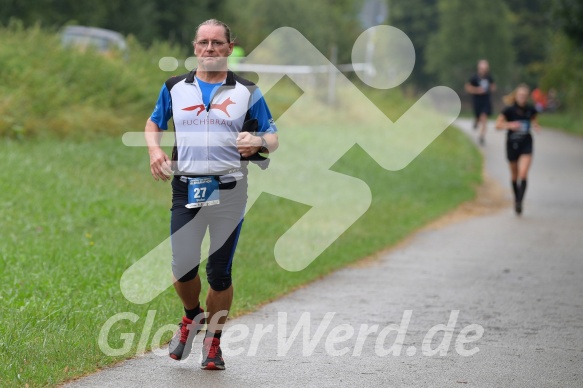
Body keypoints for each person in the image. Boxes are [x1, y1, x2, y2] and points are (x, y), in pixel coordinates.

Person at [145, 19, 278, 370]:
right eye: (203, 42)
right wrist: (154, 151)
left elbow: (272, 136)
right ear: (194, 47)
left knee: (220, 273)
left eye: (217, 42)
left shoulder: (247, 92)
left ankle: (213, 343)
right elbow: (153, 123)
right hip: (186, 186)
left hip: (230, 189)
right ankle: (192, 316)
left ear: (229, 48)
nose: (209, 48)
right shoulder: (174, 87)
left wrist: (258, 141)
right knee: (182, 265)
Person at [495, 84, 540, 215]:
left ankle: (519, 202)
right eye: (520, 95)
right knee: (514, 176)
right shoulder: (509, 110)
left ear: (527, 97)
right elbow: (497, 125)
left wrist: (536, 126)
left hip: (526, 143)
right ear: (516, 96)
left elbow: (534, 121)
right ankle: (516, 199)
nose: (522, 98)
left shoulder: (530, 109)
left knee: (523, 173)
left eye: (525, 96)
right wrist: (510, 125)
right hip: (512, 144)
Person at [465, 59, 496, 145]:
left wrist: (492, 89)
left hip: (486, 100)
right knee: (478, 116)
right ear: (479, 68)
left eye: (485, 69)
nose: (484, 70)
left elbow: (493, 86)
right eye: (482, 68)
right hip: (477, 100)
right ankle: (476, 121)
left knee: (484, 117)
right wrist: (477, 90)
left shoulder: (489, 77)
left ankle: (482, 136)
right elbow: (468, 88)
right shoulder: (474, 77)